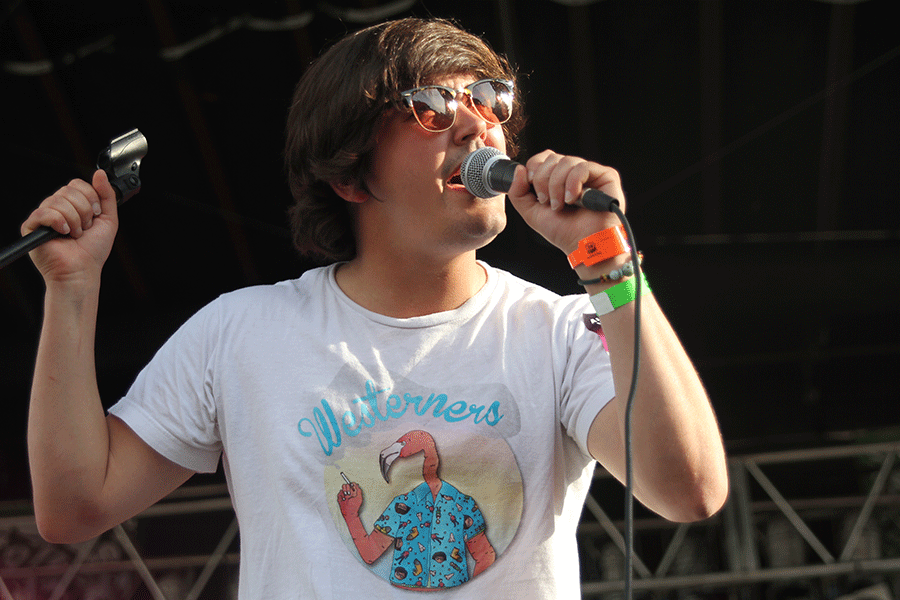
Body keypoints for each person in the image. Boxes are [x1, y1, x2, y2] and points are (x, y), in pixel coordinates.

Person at [22, 17, 728, 599]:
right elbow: (75, 505)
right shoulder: (241, 333)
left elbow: (689, 489)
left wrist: (611, 268)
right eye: (433, 108)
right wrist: (71, 290)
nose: (475, 126)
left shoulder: (556, 331)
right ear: (351, 175)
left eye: (490, 100)